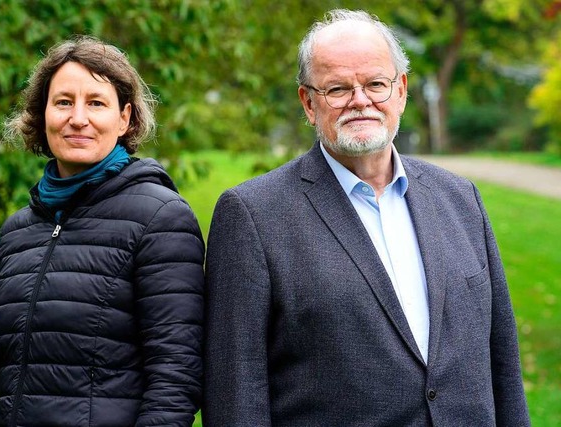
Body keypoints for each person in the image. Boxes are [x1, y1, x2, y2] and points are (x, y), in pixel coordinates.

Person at [203, 9, 530, 426]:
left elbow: (502, 357)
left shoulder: (460, 198)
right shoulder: (252, 214)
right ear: (308, 102)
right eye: (337, 88)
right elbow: (235, 391)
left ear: (401, 91)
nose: (361, 101)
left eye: (376, 84)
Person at [0, 36, 204, 427]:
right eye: (63, 102)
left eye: (96, 102)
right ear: (43, 114)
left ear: (124, 118)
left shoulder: (161, 218)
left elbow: (175, 377)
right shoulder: (16, 231)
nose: (78, 117)